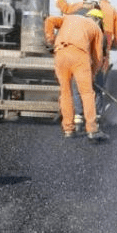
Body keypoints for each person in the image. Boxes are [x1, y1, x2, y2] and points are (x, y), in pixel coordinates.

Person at [56, 0, 117, 128]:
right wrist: (114, 45)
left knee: (79, 86)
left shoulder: (83, 5)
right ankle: (97, 116)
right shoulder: (113, 11)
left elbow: (66, 9)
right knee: (97, 86)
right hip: (101, 55)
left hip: (82, 53)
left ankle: (79, 116)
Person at [44, 8, 108, 142]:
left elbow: (49, 20)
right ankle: (92, 129)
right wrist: (93, 74)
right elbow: (97, 57)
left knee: (65, 93)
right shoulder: (96, 29)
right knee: (87, 93)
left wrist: (51, 39)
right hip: (79, 56)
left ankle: (68, 129)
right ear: (98, 20)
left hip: (61, 53)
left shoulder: (68, 18)